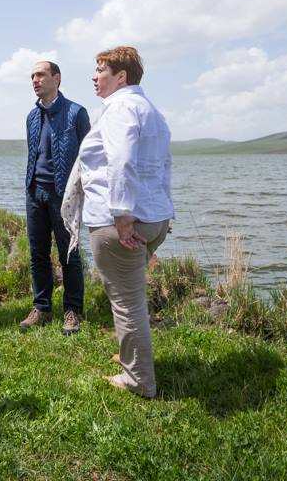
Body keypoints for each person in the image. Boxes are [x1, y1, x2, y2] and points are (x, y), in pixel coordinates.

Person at [73, 46, 173, 398]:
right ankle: (132, 357)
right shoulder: (151, 111)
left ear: (121, 76)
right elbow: (162, 167)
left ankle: (139, 380)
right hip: (154, 216)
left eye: (101, 70)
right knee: (131, 295)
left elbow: (121, 161)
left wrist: (122, 215)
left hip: (121, 222)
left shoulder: (120, 108)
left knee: (127, 301)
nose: (94, 76)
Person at [20, 61, 90, 335]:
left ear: (57, 78)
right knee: (37, 253)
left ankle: (72, 310)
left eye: (40, 75)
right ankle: (41, 307)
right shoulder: (31, 116)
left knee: (69, 252)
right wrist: (31, 187)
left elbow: (88, 157)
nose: (35, 80)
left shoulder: (76, 113)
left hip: (65, 194)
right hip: (34, 191)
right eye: (32, 76)